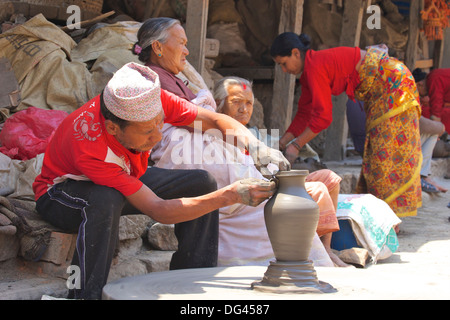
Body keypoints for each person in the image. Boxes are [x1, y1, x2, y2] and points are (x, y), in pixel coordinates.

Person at [32, 62, 278, 300]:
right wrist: (231, 195)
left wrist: (254, 145)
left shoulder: (148, 100)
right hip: (60, 193)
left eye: (160, 123)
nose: (158, 135)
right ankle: (85, 295)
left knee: (201, 182)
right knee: (105, 197)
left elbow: (212, 120)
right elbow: (158, 210)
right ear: (113, 128)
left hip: (123, 175)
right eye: (148, 131)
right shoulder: (92, 148)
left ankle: (190, 281)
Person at [133, 17, 348, 267]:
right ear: (158, 48)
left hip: (208, 162)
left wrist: (270, 148)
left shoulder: (176, 80)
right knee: (267, 199)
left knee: (307, 187)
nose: (187, 50)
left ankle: (316, 257)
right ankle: (291, 262)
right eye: (181, 43)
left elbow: (207, 122)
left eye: (249, 104)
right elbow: (197, 125)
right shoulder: (150, 82)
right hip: (185, 163)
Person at [270, 33, 422, 218]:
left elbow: (323, 118)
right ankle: (382, 215)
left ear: (295, 53)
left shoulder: (315, 66)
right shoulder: (311, 69)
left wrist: (295, 145)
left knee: (386, 154)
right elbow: (304, 113)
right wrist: (282, 142)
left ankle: (390, 219)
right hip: (385, 86)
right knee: (376, 152)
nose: (284, 70)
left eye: (283, 64)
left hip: (393, 84)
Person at [214, 76, 350, 267]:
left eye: (248, 103)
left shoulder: (249, 134)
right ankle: (315, 256)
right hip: (253, 197)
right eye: (236, 102)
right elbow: (237, 180)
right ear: (219, 105)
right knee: (317, 189)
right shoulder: (215, 138)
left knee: (329, 178)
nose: (244, 109)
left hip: (271, 185)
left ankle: (325, 249)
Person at [413, 68, 450, 135]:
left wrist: (436, 134)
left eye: (419, 94)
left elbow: (436, 113)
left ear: (419, 84)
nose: (424, 96)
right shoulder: (435, 76)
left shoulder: (433, 79)